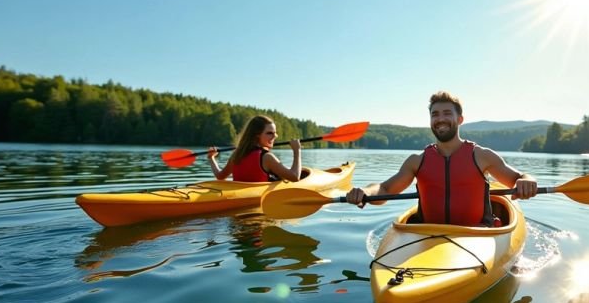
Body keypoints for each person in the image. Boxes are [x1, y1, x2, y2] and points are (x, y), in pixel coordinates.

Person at [345, 91, 537, 226]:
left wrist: (527, 182)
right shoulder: (416, 161)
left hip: (476, 234)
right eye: (435, 114)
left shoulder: (481, 155)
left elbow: (520, 176)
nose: (440, 119)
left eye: (447, 113)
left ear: (460, 119)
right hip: (430, 234)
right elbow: (385, 189)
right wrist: (365, 191)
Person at [207, 115, 302, 182]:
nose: (275, 136)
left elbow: (220, 176)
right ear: (257, 135)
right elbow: (294, 177)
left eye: (275, 133)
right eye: (269, 133)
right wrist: (297, 150)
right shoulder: (267, 157)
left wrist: (211, 159)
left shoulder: (237, 155)